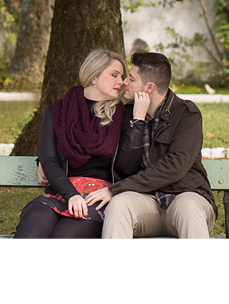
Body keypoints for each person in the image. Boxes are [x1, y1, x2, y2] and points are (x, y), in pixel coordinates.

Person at [14, 48, 145, 238]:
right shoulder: (57, 112)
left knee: (63, 238)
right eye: (114, 75)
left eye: (122, 76)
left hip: (98, 198)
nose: (121, 82)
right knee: (32, 227)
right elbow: (49, 161)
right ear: (93, 75)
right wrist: (72, 194)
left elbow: (129, 165)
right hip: (60, 192)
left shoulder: (123, 116)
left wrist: (138, 121)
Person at [84, 52, 217, 238]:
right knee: (119, 204)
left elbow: (175, 167)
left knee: (188, 206)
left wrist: (116, 188)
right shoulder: (126, 114)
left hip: (185, 195)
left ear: (149, 87)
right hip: (146, 202)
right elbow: (86, 134)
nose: (124, 82)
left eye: (131, 78)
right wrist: (47, 159)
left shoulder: (187, 114)